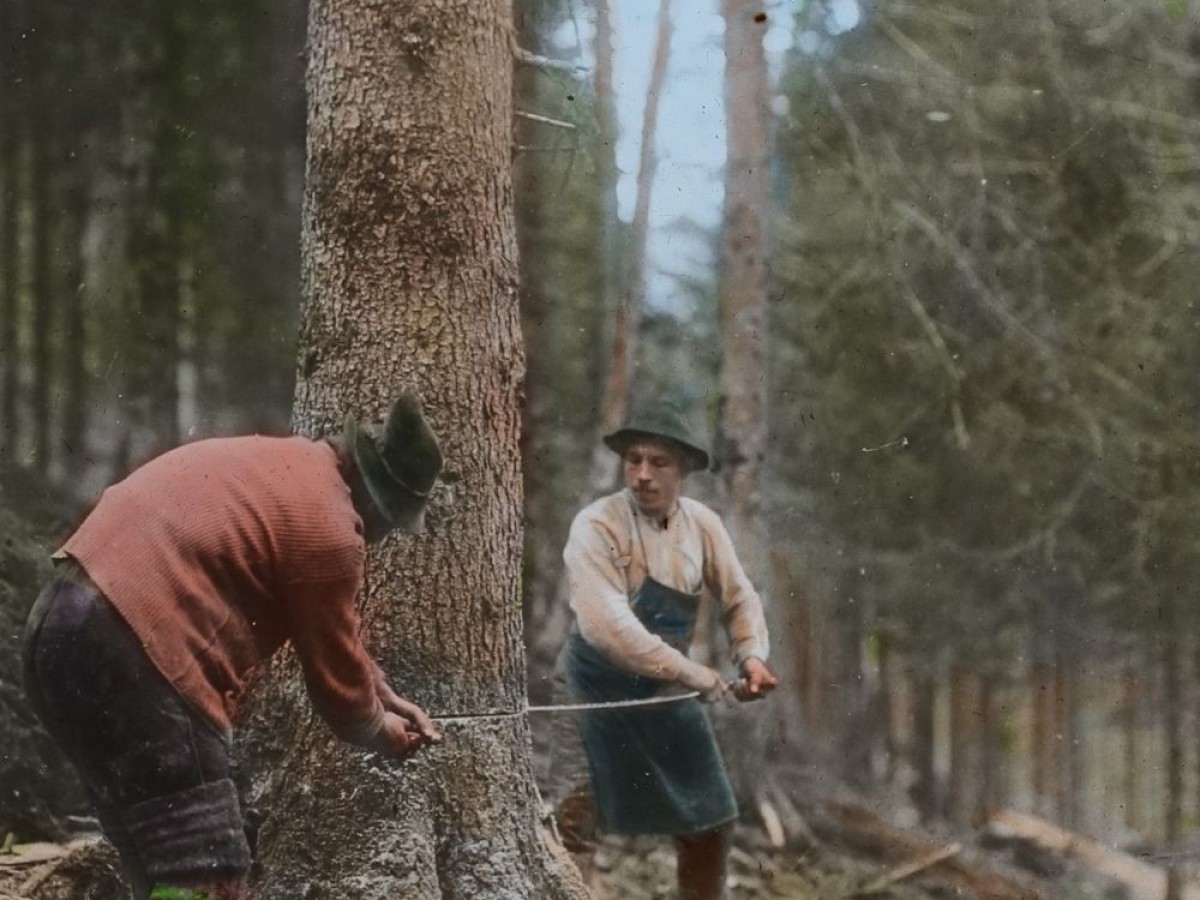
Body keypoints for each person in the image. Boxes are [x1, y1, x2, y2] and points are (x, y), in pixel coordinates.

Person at [22, 393, 445, 900]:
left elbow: (337, 638)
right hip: (139, 652)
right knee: (207, 868)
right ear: (377, 498)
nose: (382, 537)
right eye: (391, 523)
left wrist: (386, 695)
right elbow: (339, 694)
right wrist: (385, 732)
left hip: (58, 626)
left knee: (153, 850)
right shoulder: (330, 531)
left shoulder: (287, 466)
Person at [554, 397, 779, 900]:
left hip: (663, 691)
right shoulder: (597, 525)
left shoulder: (703, 525)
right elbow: (606, 625)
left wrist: (752, 657)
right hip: (591, 685)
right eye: (633, 460)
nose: (643, 475)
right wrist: (691, 672)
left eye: (659, 463)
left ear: (684, 470)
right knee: (574, 816)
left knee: (712, 815)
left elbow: (739, 596)